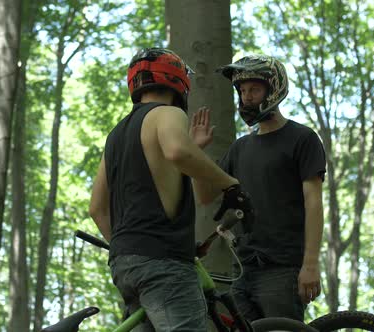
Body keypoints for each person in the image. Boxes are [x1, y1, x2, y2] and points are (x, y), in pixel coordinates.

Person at [89, 48, 254, 331]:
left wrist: (128, 246)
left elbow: (96, 208)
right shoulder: (167, 112)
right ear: (178, 81)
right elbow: (177, 150)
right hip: (162, 264)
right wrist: (230, 184)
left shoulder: (116, 134)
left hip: (125, 265)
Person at [191, 54, 326, 322]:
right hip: (241, 269)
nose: (247, 96)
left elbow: (314, 204)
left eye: (254, 89)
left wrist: (310, 264)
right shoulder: (239, 148)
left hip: (283, 269)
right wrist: (195, 154)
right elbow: (205, 197)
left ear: (273, 88)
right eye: (242, 91)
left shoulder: (303, 139)